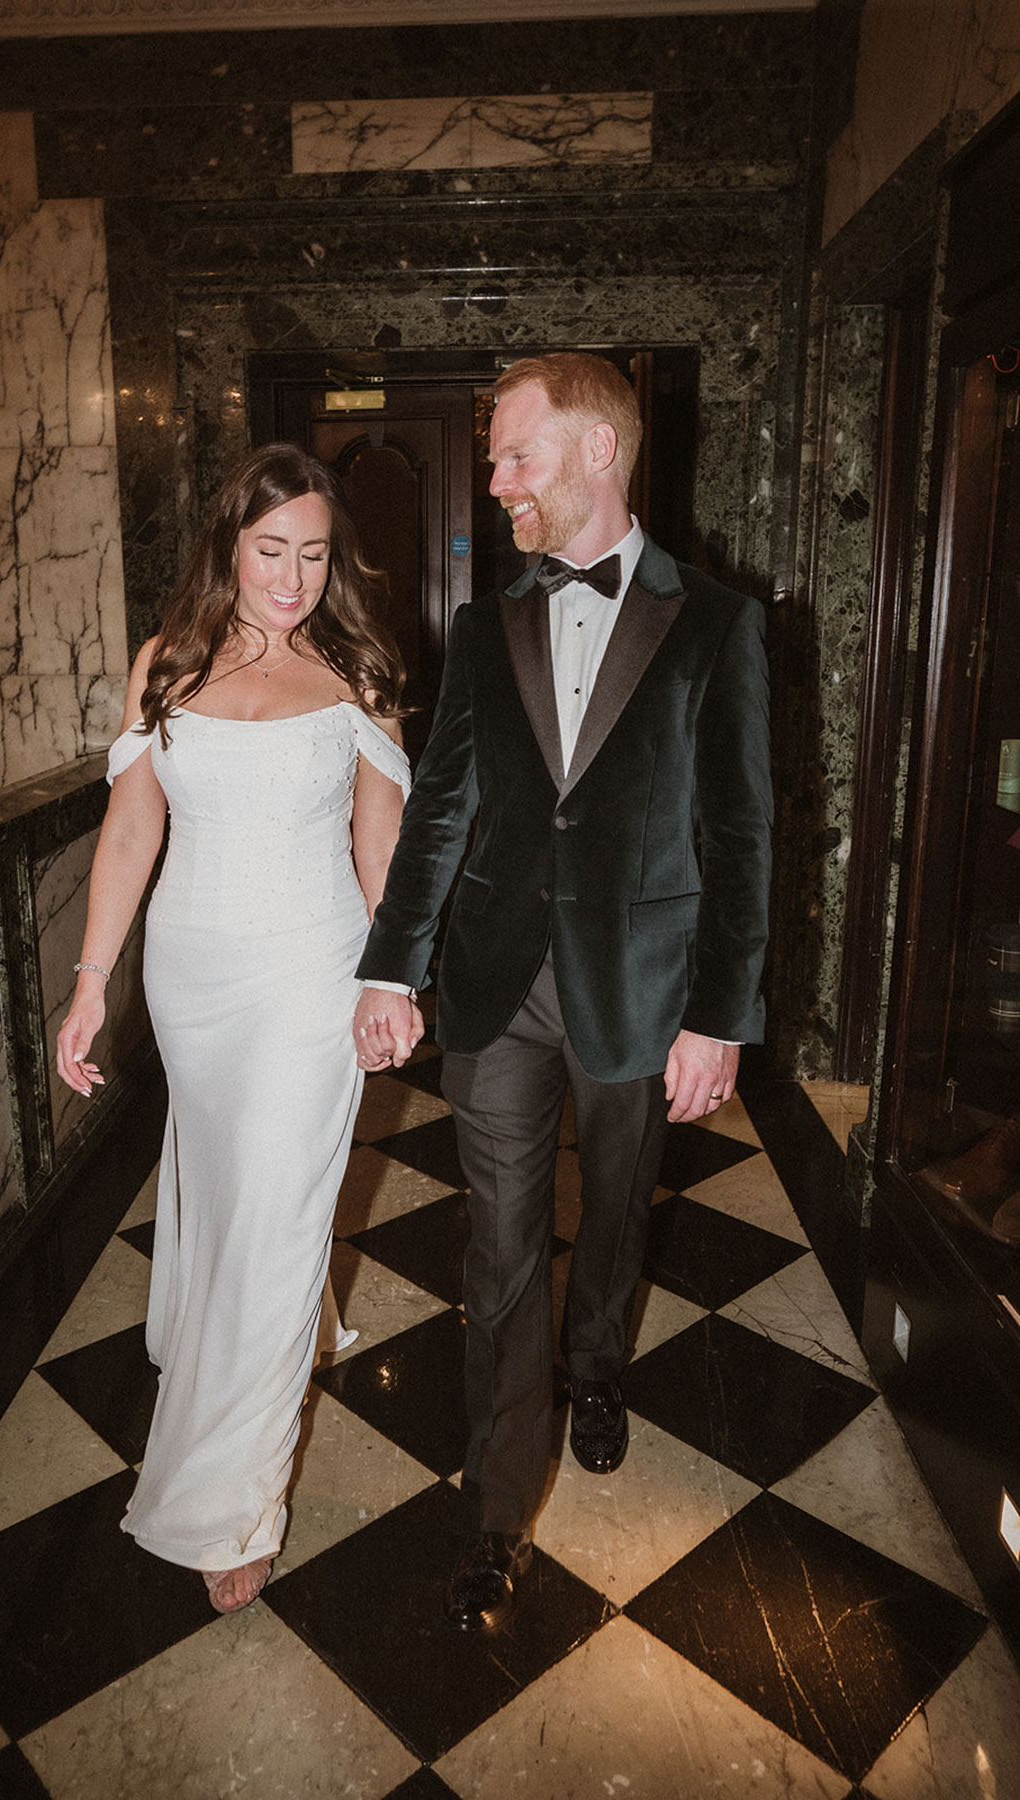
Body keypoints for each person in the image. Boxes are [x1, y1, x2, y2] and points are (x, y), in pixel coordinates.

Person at [353, 352, 773, 1631]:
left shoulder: (717, 622)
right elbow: (439, 812)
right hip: (495, 987)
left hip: (642, 992)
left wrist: (719, 1016)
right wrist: (390, 959)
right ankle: (497, 1504)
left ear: (600, 452)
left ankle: (600, 1368)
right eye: (493, 462)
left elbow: (743, 838)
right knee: (498, 1245)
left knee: (619, 1213)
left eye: (515, 456)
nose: (495, 484)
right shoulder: (487, 623)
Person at [57, 443, 409, 1614]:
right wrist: (92, 981)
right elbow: (127, 835)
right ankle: (242, 1316)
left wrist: (393, 981)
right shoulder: (168, 667)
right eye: (272, 551)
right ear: (229, 546)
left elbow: (380, 846)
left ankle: (230, 1503)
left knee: (269, 1204)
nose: (294, 575)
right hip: (194, 980)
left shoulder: (358, 669)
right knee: (224, 1181)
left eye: (314, 553)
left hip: (311, 973)